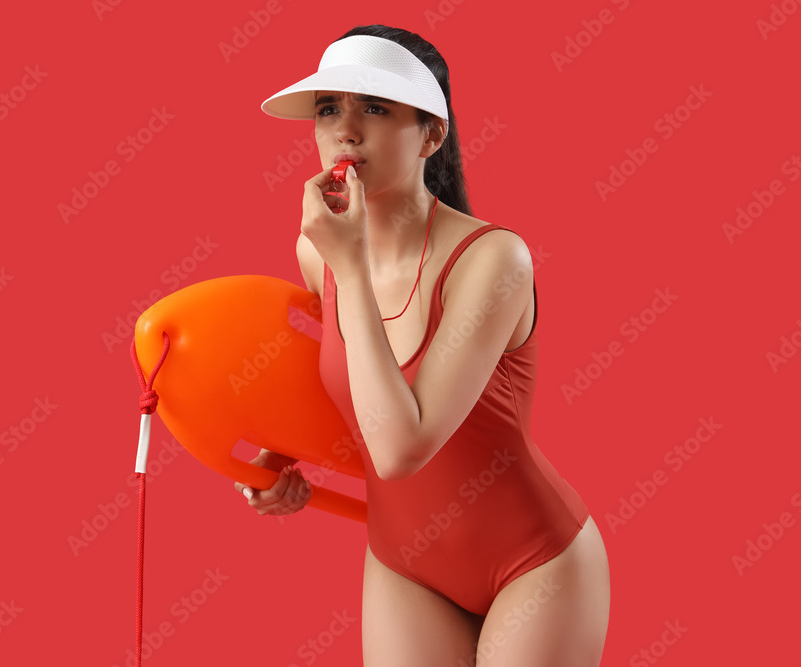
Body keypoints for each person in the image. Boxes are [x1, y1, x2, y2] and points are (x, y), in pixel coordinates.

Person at [235, 25, 611, 666]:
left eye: (374, 108)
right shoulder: (316, 256)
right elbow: (355, 396)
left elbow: (402, 447)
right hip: (403, 565)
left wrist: (350, 266)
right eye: (330, 108)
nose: (345, 131)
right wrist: (283, 461)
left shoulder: (494, 260)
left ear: (431, 134)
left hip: (534, 564)